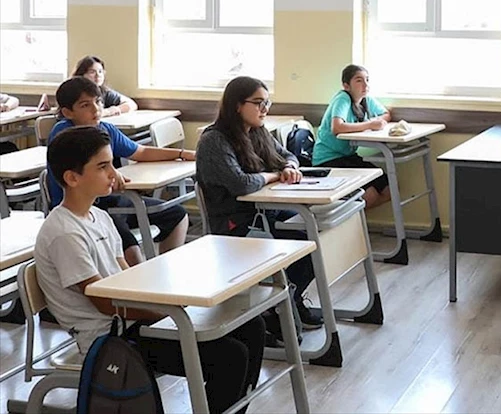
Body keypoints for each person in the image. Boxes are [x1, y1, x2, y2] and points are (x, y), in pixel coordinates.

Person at [35, 125, 264, 414]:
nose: (114, 173)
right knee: (230, 356)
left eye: (112, 164)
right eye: (103, 167)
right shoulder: (64, 233)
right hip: (109, 339)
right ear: (72, 178)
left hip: (129, 323)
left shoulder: (99, 216)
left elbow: (126, 278)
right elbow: (104, 303)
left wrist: (169, 301)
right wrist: (166, 313)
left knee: (252, 327)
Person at [195, 76, 323, 333]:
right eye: (258, 103)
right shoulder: (214, 140)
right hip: (235, 224)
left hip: (263, 212)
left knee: (312, 238)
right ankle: (279, 308)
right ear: (237, 105)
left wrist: (289, 166)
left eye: (267, 102)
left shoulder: (257, 131)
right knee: (302, 243)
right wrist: (274, 175)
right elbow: (241, 183)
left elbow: (287, 155)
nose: (265, 109)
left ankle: (288, 301)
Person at [46, 77, 191, 266]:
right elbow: (80, 172)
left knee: (177, 214)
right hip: (83, 206)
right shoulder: (64, 135)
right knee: (131, 252)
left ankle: (163, 271)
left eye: (98, 101)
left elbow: (140, 152)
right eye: (85, 105)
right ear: (67, 112)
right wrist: (111, 171)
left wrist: (181, 154)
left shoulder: (105, 128)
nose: (96, 109)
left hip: (108, 198)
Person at [312, 64, 392, 209]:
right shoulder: (343, 98)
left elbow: (386, 114)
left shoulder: (366, 100)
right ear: (346, 85)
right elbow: (337, 127)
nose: (365, 85)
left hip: (348, 157)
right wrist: (369, 125)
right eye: (359, 80)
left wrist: (376, 122)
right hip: (329, 160)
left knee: (389, 189)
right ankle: (350, 218)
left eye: (367, 80)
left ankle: (354, 216)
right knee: (370, 196)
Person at [72, 55, 138, 117]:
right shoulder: (73, 92)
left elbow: (132, 104)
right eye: (92, 72)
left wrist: (110, 111)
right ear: (81, 75)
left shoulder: (104, 92)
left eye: (100, 71)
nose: (98, 75)